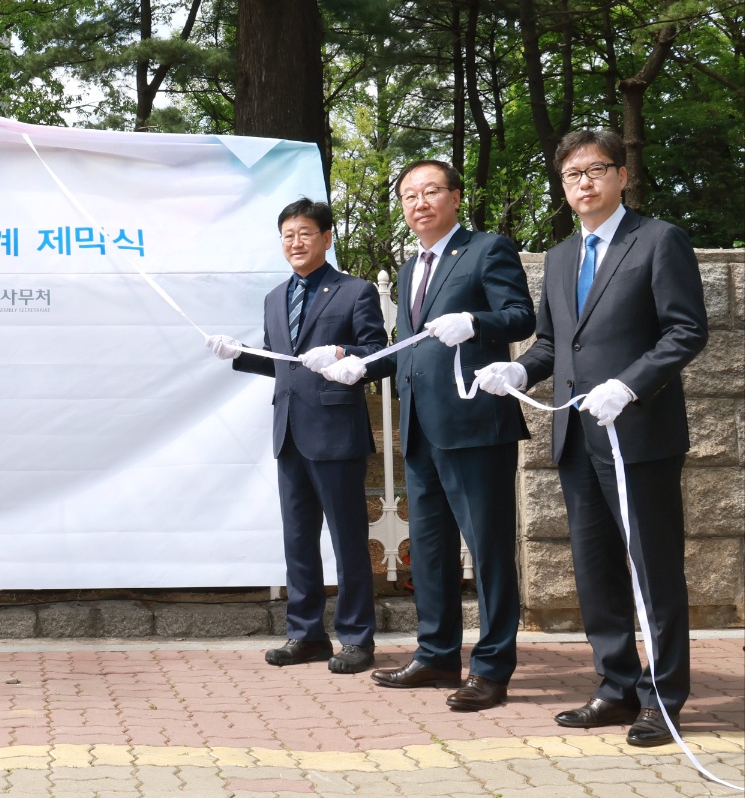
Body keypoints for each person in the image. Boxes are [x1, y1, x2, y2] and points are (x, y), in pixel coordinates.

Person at [474, 130, 706, 746]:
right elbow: (554, 343)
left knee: (654, 570)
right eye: (572, 173)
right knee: (595, 569)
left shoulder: (658, 241)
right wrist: (520, 368)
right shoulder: (557, 257)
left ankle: (664, 697)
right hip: (577, 435)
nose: (583, 181)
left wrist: (629, 386)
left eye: (596, 169)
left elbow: (685, 331)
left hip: (640, 433)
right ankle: (615, 687)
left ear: (622, 176)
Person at [335, 159, 534, 711]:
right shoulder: (408, 268)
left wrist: (477, 322)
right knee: (430, 553)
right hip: (420, 427)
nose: (418, 203)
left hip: (474, 426)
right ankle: (438, 655)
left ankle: (492, 668)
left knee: (489, 552)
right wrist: (359, 363)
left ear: (455, 196)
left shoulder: (486, 249)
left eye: (430, 192)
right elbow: (411, 346)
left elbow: (521, 316)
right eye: (408, 195)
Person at [206, 199, 387, 674]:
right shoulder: (273, 298)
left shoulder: (355, 291)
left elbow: (378, 352)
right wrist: (238, 353)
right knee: (298, 541)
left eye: (305, 232)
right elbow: (278, 359)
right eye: (287, 234)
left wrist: (344, 350)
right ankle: (306, 635)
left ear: (327, 237)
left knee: (348, 542)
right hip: (288, 432)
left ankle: (356, 639)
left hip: (336, 433)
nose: (295, 242)